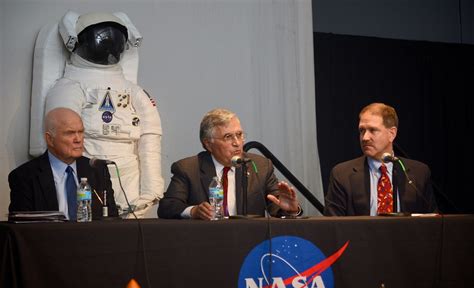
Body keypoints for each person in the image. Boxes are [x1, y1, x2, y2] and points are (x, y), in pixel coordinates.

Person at [45, 12, 164, 218]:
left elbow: (150, 142)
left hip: (130, 182)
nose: (108, 43)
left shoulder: (133, 91)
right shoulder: (70, 87)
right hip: (87, 180)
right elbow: (62, 138)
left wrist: (151, 191)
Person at [158, 108, 301, 220]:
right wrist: (193, 211)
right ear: (208, 144)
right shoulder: (188, 169)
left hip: (250, 245)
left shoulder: (261, 166)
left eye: (239, 135)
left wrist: (291, 210)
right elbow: (167, 207)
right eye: (228, 137)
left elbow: (276, 206)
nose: (237, 143)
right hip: (205, 243)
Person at [324, 102, 437, 216]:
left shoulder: (419, 173)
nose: (365, 137)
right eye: (362, 130)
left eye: (373, 130)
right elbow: (333, 226)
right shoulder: (342, 175)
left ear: (391, 134)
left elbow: (432, 223)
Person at [8, 108, 117, 220]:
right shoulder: (24, 177)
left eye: (81, 132)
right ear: (50, 139)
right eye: (70, 133)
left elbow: (112, 220)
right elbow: (22, 230)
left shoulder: (97, 170)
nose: (78, 139)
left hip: (92, 237)